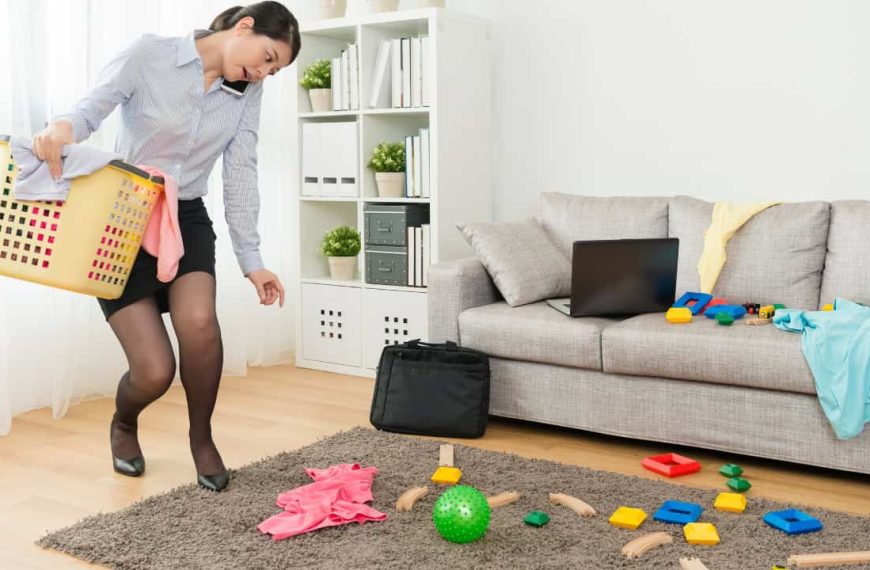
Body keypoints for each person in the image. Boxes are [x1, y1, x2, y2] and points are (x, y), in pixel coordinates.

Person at [31, 2, 301, 491]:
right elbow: (92, 106)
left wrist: (253, 260)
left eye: (272, 70)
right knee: (154, 371)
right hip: (120, 219)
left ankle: (202, 438)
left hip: (186, 216)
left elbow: (242, 171)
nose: (262, 73)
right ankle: (125, 422)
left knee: (199, 323)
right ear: (244, 26)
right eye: (265, 57)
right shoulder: (150, 55)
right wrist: (61, 128)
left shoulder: (246, 93)